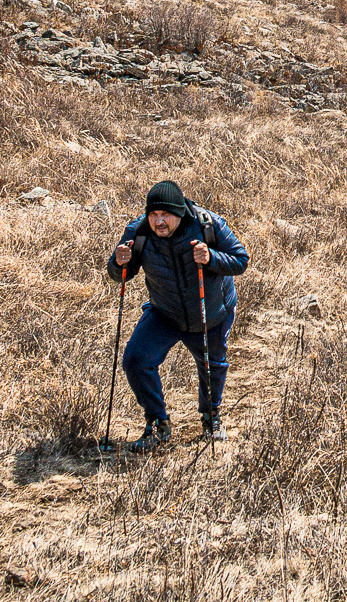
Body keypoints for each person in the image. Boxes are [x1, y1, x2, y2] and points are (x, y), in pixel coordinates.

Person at [107, 179, 250, 451]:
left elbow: (241, 260)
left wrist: (211, 258)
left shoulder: (209, 224)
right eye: (153, 215)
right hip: (165, 312)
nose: (159, 222)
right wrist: (118, 262)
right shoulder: (138, 232)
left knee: (212, 366)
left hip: (210, 311)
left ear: (179, 213)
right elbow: (120, 275)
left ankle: (211, 418)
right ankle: (158, 424)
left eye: (165, 216)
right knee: (136, 360)